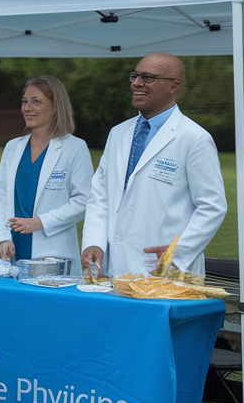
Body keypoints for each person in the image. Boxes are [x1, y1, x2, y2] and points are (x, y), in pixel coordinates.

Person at [82, 53, 227, 278]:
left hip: (165, 272)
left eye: (147, 77)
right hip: (114, 268)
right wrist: (94, 242)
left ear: (174, 85)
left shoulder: (194, 138)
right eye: (135, 75)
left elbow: (212, 206)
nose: (136, 83)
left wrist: (177, 254)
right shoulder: (118, 133)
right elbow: (100, 195)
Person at [0, 75, 94, 273]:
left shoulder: (74, 147)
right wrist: (2, 237)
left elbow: (84, 200)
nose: (27, 108)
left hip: (53, 250)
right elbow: (1, 197)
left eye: (36, 101)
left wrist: (41, 222)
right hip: (14, 247)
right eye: (24, 101)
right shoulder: (13, 147)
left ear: (56, 106)